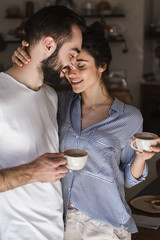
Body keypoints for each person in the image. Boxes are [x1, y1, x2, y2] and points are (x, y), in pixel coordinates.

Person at [12, 22, 160, 240]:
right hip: (58, 220)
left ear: (102, 65)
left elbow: (129, 178)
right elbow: (25, 89)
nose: (73, 73)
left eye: (81, 65)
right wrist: (23, 59)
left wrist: (141, 157)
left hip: (103, 224)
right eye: (69, 66)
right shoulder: (59, 103)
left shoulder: (129, 117)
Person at [0, 6, 85, 240]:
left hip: (55, 231)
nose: (73, 64)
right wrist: (32, 171)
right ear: (48, 45)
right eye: (71, 54)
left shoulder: (50, 95)